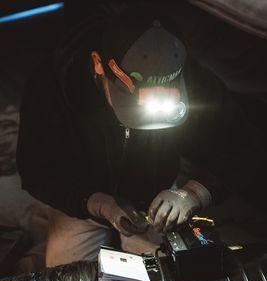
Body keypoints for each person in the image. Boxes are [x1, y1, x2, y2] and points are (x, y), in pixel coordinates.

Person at [16, 6, 263, 267]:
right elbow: (36, 171)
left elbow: (243, 145)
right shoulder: (52, 88)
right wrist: (95, 203)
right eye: (131, 104)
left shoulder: (189, 75)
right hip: (79, 203)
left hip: (154, 201)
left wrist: (194, 193)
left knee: (174, 277)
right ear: (99, 65)